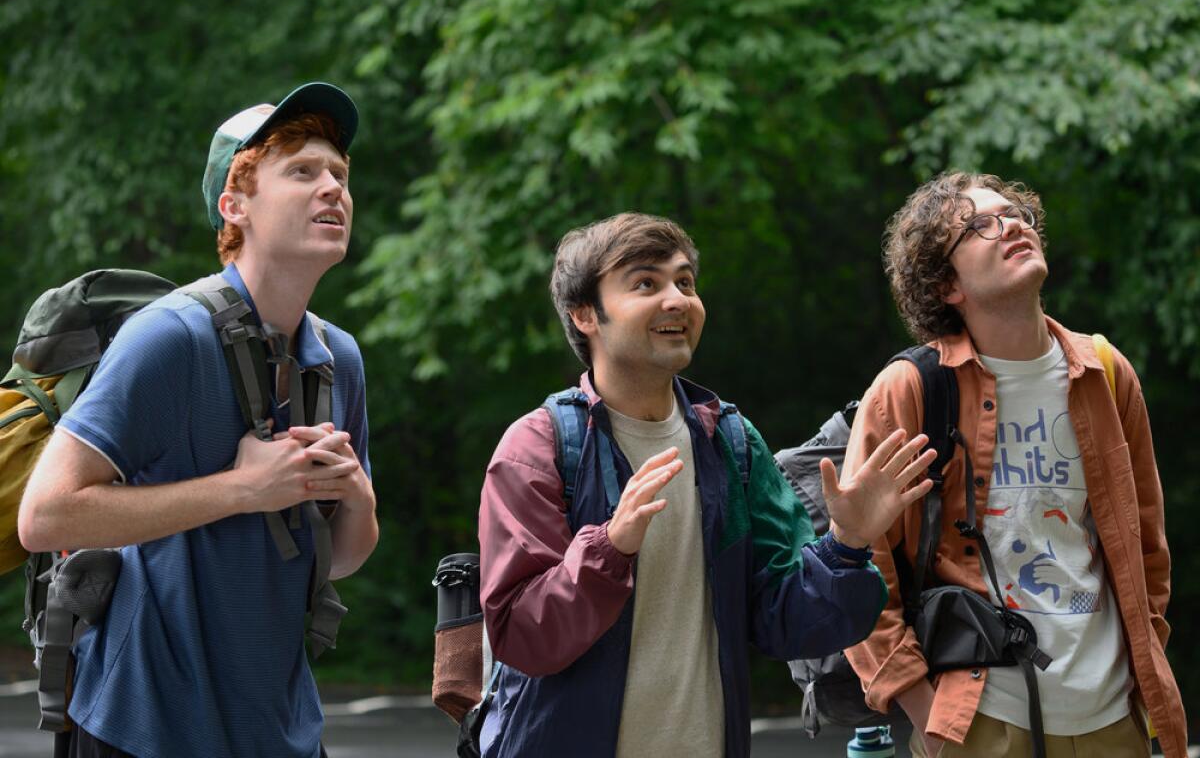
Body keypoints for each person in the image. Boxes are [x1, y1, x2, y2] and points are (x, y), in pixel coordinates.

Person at [476, 212, 937, 757]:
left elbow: (785, 624)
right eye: (646, 283)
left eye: (685, 282)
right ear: (585, 315)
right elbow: (522, 636)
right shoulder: (538, 448)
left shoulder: (730, 443)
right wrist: (609, 549)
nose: (678, 300)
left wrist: (847, 545)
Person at [18, 82, 378, 758]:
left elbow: (343, 560)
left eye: (339, 173)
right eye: (302, 171)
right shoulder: (170, 337)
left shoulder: (337, 359)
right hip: (143, 726)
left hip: (278, 728)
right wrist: (244, 490)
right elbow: (45, 515)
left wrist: (355, 495)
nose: (332, 187)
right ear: (234, 206)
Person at [843, 172, 1187, 757]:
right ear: (947, 283)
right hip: (980, 718)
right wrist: (920, 704)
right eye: (979, 226)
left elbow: (1145, 542)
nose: (1011, 226)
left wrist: (1144, 664)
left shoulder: (1104, 372)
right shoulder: (910, 388)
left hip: (1110, 714)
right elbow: (858, 565)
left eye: (1015, 214)